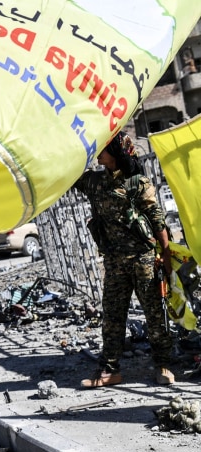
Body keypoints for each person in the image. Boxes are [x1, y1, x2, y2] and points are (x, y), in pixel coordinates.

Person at [73, 131, 174, 388]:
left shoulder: (137, 183)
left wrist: (166, 254)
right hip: (114, 261)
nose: (99, 153)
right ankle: (110, 369)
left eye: (104, 148)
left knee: (154, 314)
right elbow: (67, 176)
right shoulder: (94, 182)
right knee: (113, 315)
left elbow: (156, 219)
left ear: (117, 153)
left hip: (143, 259)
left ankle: (163, 365)